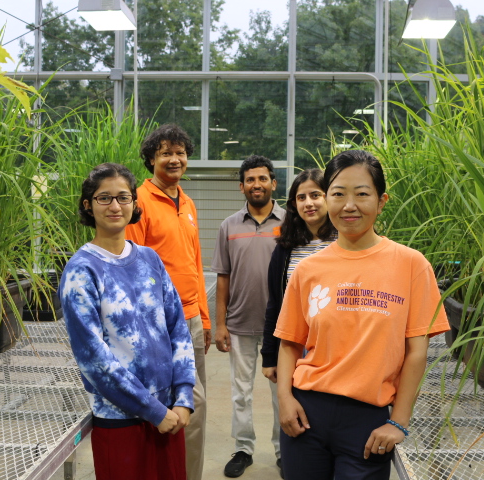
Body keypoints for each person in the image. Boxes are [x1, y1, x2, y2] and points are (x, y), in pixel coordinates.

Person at [275, 150, 450, 480]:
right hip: (306, 414)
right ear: (328, 199)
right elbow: (289, 343)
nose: (349, 205)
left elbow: (416, 353)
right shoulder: (309, 270)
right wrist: (284, 398)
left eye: (362, 194)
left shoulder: (411, 265)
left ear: (381, 201)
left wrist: (399, 421)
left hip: (367, 421)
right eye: (338, 194)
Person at [59, 163, 196, 480]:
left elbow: (177, 329)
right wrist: (152, 410)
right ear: (88, 206)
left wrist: (184, 398)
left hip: (171, 416)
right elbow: (93, 358)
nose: (115, 206)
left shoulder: (150, 259)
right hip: (121, 419)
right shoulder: (82, 271)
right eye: (104, 198)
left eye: (123, 197)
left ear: (135, 203)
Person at [125, 124, 210, 480]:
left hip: (191, 319)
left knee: (196, 410)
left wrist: (205, 319)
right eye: (165, 153)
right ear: (150, 159)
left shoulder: (187, 202)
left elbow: (194, 262)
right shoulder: (139, 202)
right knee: (177, 406)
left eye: (180, 152)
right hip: (159, 324)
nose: (175, 159)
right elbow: (130, 267)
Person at [211, 155, 285, 478]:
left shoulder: (290, 223)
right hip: (239, 324)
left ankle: (285, 451)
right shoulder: (228, 225)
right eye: (250, 179)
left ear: (273, 183)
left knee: (282, 391)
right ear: (242, 186)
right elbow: (222, 278)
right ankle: (244, 448)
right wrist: (220, 324)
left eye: (263, 178)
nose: (257, 184)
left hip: (281, 326)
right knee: (241, 392)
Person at [260, 168, 336, 383]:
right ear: (294, 205)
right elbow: (275, 304)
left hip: (335, 343)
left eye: (315, 195)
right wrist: (268, 356)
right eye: (301, 198)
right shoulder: (286, 248)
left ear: (329, 197)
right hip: (295, 343)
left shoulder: (346, 242)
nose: (308, 203)